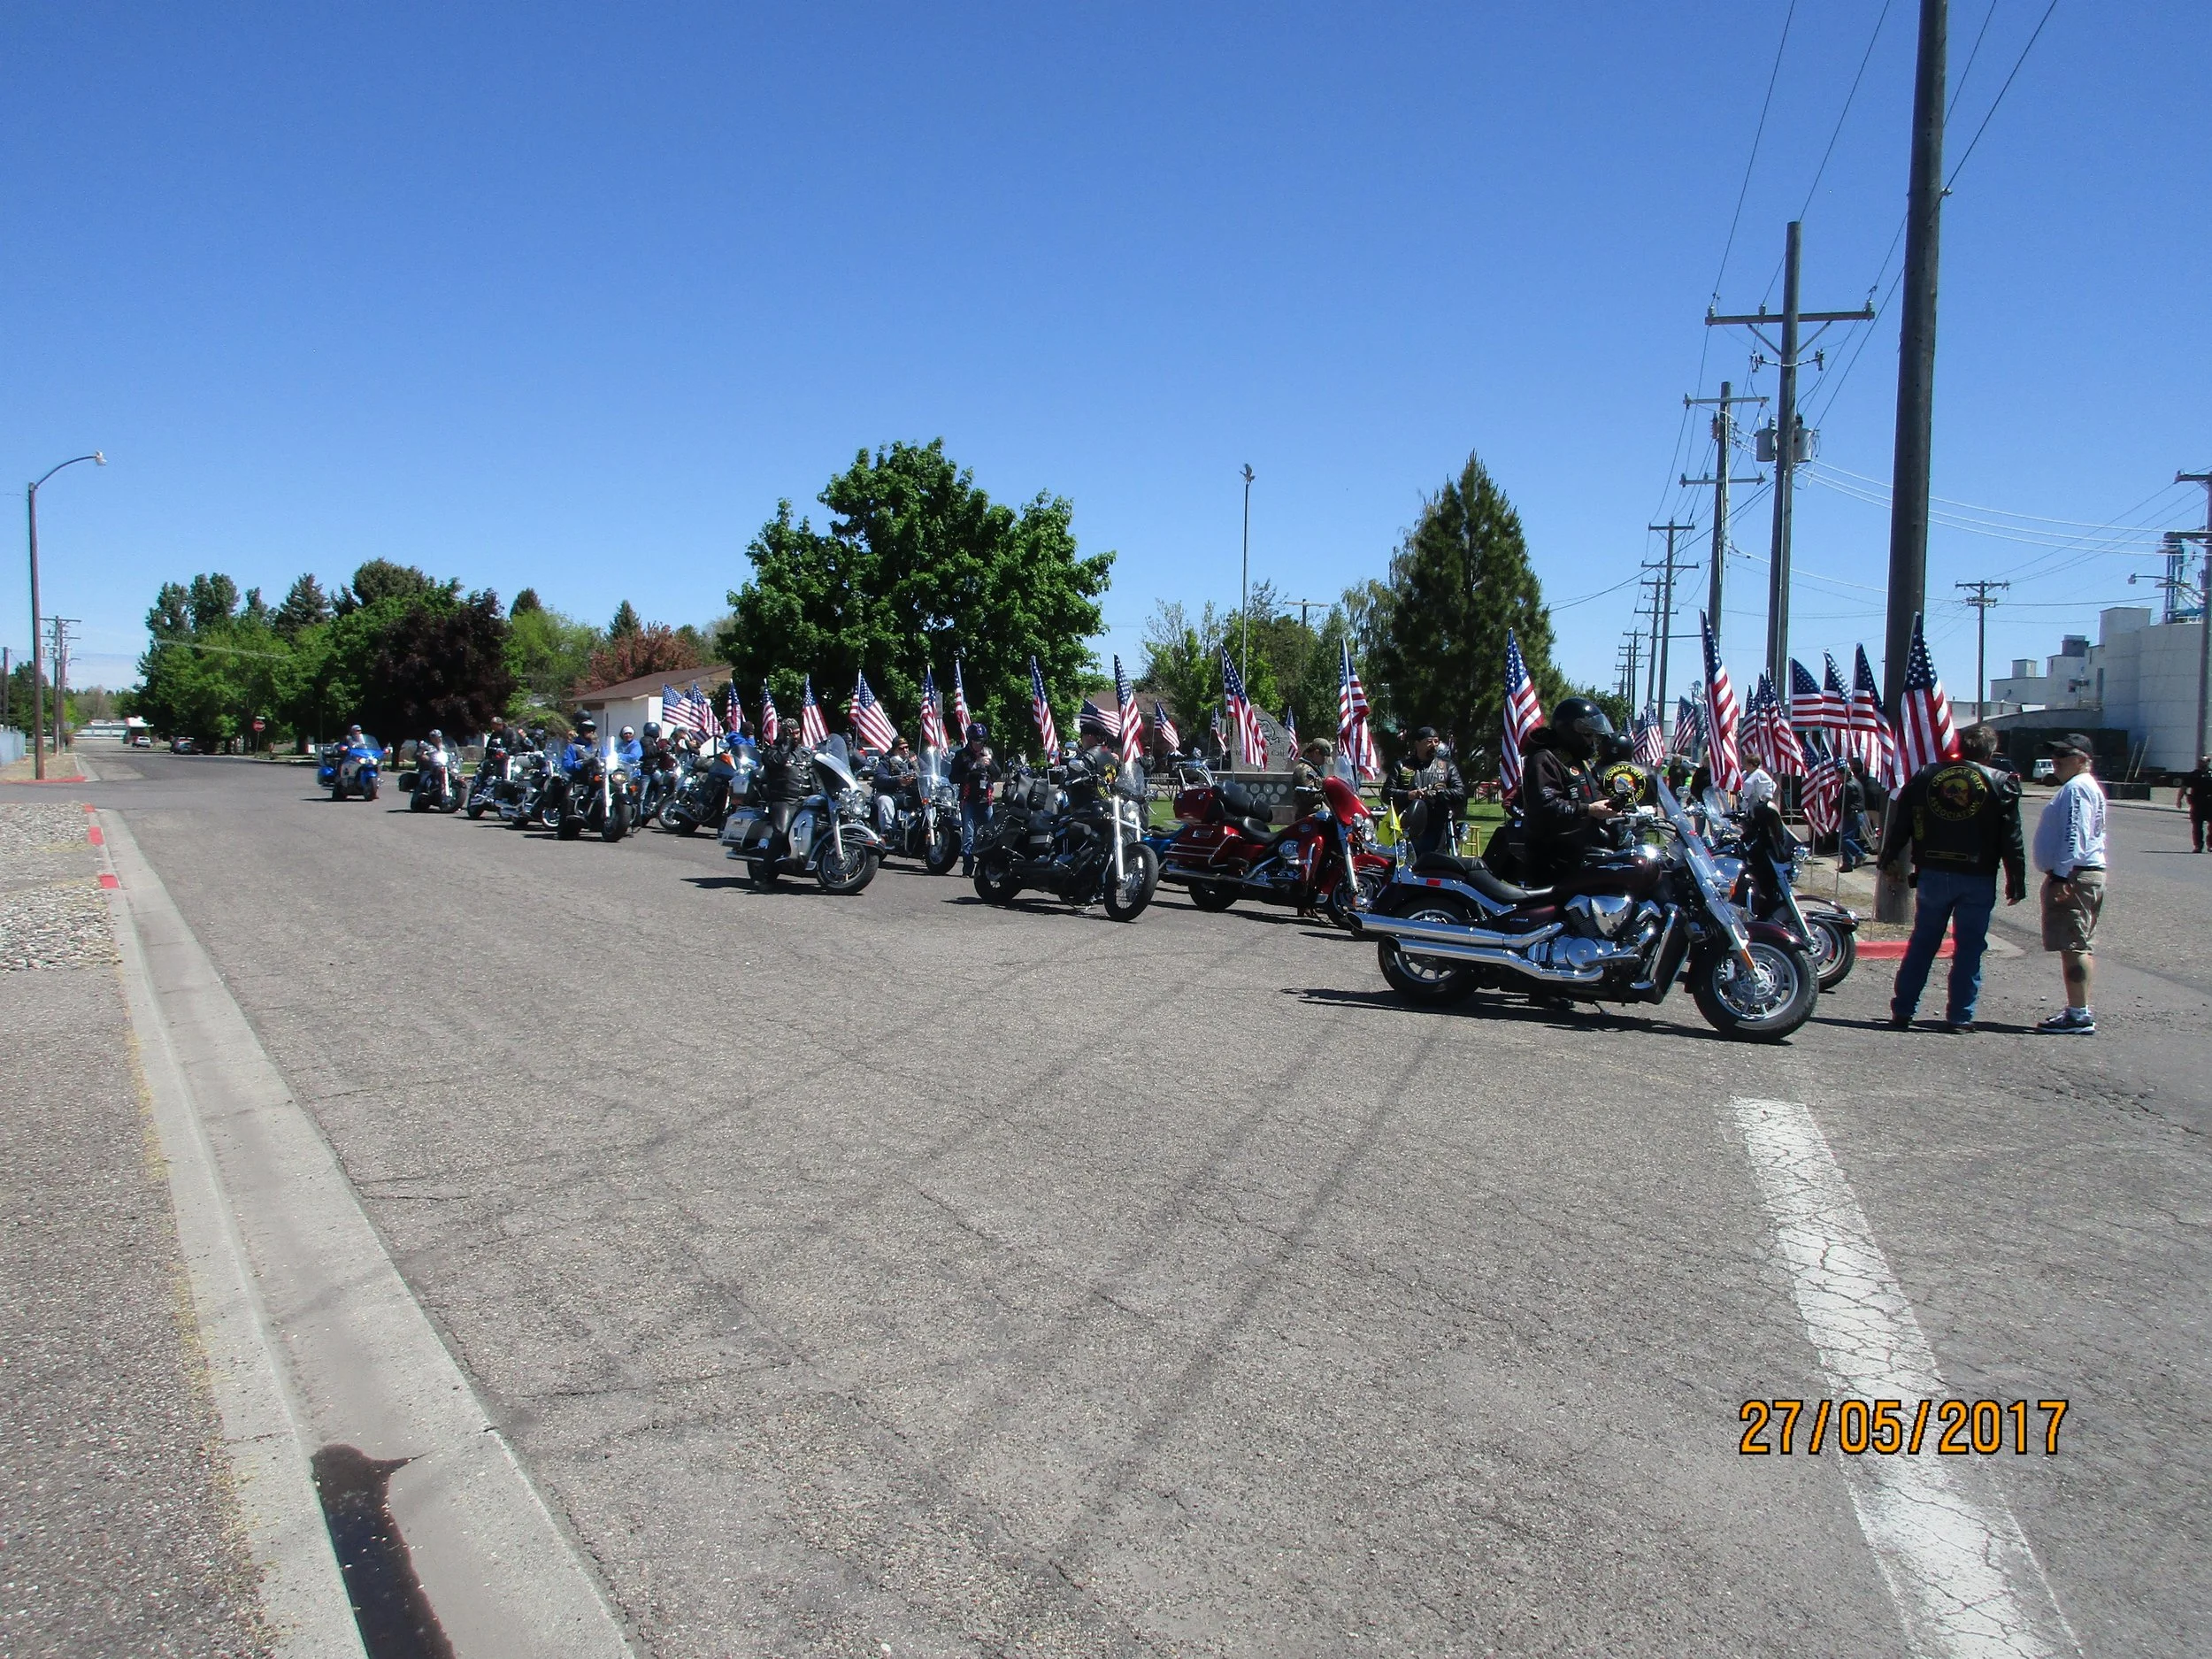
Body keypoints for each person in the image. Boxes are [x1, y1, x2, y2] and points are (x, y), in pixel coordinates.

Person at [1879, 722, 2025, 1033]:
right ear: (1990, 753)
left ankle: (1903, 1010)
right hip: (1977, 874)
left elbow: (1902, 822)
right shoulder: (2002, 783)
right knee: (1969, 948)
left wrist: (1888, 857)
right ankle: (1960, 1016)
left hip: (1932, 871)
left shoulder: (1927, 776)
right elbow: (2011, 837)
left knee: (1923, 942)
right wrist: (2017, 879)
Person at [2032, 733, 2108, 1035]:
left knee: (2074, 945)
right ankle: (2078, 1010)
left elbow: (2075, 833)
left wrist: (2062, 876)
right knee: (2078, 945)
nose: (2056, 761)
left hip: (2075, 875)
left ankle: (2079, 1014)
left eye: (2063, 756)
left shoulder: (2077, 789)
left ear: (2082, 760)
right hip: (2083, 873)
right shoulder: (2082, 787)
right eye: (2054, 756)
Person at [1521, 698, 1617, 884]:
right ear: (1570, 731)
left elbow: (1592, 793)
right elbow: (1546, 806)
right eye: (1588, 735)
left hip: (1579, 853)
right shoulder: (1544, 759)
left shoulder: (1579, 762)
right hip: (1552, 859)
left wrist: (1611, 804)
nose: (1592, 741)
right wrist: (1589, 810)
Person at [1386, 726, 1467, 858]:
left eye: (1436, 741)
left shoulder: (1447, 767)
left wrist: (1436, 794)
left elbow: (1460, 793)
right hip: (1406, 830)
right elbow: (1386, 793)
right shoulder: (1401, 766)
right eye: (1429, 741)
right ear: (1417, 743)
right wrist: (1408, 795)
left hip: (1437, 831)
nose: (1434, 745)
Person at [948, 722, 997, 875]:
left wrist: (990, 765)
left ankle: (986, 867)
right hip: (968, 799)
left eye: (981, 741)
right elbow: (953, 777)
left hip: (986, 799)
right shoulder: (961, 755)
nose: (979, 744)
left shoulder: (988, 753)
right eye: (976, 741)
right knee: (968, 835)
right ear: (970, 740)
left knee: (989, 833)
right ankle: (968, 868)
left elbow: (998, 773)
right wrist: (971, 774)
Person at [1838, 761, 1870, 872]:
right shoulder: (1855, 782)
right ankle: (1847, 863)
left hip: (1852, 814)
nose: (1837, 778)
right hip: (1855, 814)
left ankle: (1860, 854)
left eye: (1839, 775)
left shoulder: (1849, 785)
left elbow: (1843, 801)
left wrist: (1832, 804)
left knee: (1844, 838)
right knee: (1848, 839)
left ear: (1844, 774)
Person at [2177, 754, 2212, 853]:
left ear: (2208, 762)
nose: (2202, 763)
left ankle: (2211, 845)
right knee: (2197, 826)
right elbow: (2183, 788)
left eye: (2204, 761)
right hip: (2198, 803)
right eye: (2200, 761)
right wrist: (2179, 800)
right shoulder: (2193, 775)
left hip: (2210, 803)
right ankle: (2198, 846)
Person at [1291, 740, 1330, 819]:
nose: (1325, 760)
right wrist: (1327, 794)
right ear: (1316, 753)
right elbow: (1308, 795)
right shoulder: (1303, 769)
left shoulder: (1313, 769)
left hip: (1318, 815)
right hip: (1308, 817)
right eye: (1324, 756)